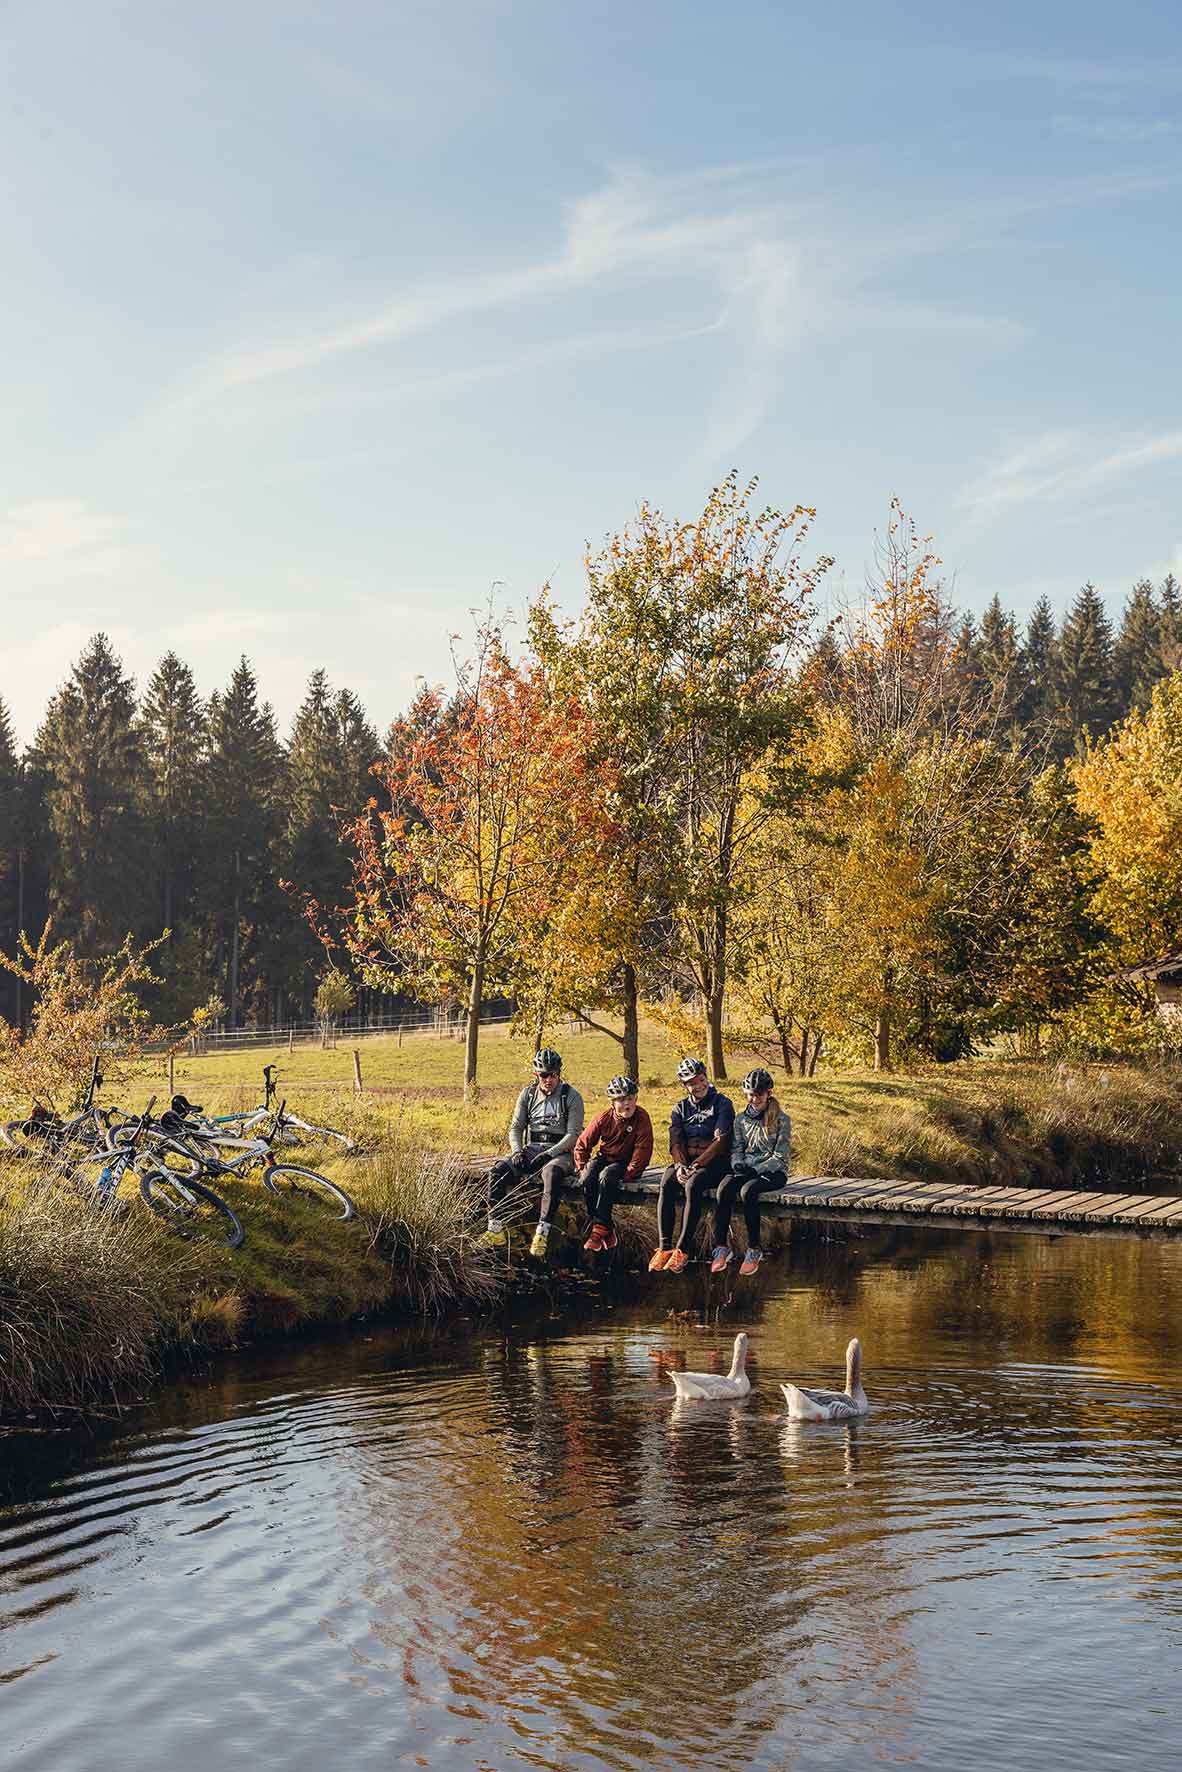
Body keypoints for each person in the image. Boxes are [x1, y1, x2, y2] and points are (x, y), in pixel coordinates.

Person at [485, 1048, 585, 1257]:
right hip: (532, 1147)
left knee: (551, 1174)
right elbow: (516, 1127)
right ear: (536, 1075)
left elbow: (574, 1134)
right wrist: (517, 1152)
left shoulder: (571, 1096)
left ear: (559, 1073)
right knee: (497, 1171)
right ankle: (495, 1228)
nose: (549, 1079)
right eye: (544, 1075)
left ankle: (542, 1232)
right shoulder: (527, 1094)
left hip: (561, 1152)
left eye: (553, 1075)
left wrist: (550, 1155)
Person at [650, 1058, 735, 1274]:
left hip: (715, 1163)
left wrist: (696, 1165)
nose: (698, 1085)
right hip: (686, 1162)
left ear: (706, 1077)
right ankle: (665, 1248)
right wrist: (680, 1165)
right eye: (692, 1082)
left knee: (693, 1185)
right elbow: (675, 1140)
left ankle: (682, 1250)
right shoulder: (680, 1108)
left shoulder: (722, 1104)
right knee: (667, 1182)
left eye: (701, 1079)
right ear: (684, 1085)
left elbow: (720, 1142)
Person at [709, 1068, 790, 1277]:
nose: (754, 1099)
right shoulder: (740, 1120)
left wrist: (756, 1168)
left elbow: (780, 1157)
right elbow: (737, 1149)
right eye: (750, 1094)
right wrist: (737, 1164)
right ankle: (721, 1247)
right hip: (747, 1168)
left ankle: (754, 1249)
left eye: (759, 1095)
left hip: (773, 1171)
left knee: (748, 1192)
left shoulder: (781, 1119)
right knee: (724, 1188)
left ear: (768, 1093)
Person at [574, 1075, 654, 1253]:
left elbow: (643, 1150)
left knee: (607, 1176)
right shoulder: (603, 1118)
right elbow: (582, 1144)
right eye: (621, 1100)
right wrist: (581, 1166)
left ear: (636, 1099)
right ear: (612, 1103)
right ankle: (605, 1225)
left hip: (624, 1163)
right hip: (605, 1157)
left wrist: (629, 1174)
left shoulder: (642, 1117)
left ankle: (599, 1230)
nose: (627, 1104)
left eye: (630, 1099)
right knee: (587, 1178)